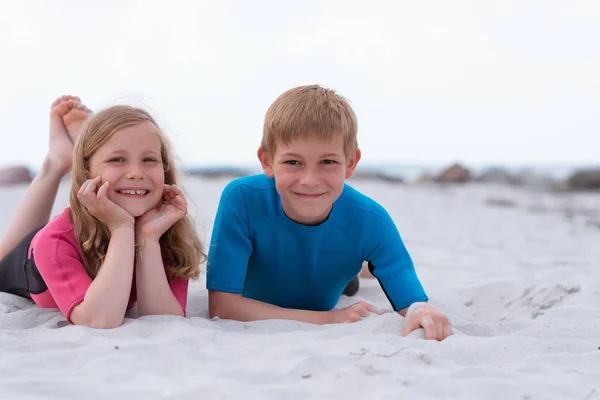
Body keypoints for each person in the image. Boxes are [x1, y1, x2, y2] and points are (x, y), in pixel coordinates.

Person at [206, 85, 452, 341]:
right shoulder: (242, 198)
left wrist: (421, 308)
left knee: (353, 278)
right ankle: (358, 271)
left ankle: (358, 270)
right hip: (297, 286)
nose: (310, 180)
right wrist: (328, 319)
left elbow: (412, 299)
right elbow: (223, 307)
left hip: (333, 276)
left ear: (351, 162)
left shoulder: (371, 220)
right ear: (267, 161)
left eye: (327, 162)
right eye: (293, 162)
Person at [0, 95, 204, 328]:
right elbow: (98, 319)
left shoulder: (169, 234)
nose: (136, 173)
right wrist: (121, 227)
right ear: (86, 172)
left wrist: (148, 238)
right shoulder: (57, 240)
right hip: (32, 259)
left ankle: (88, 145)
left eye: (149, 159)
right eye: (117, 159)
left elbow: (163, 318)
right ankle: (57, 161)